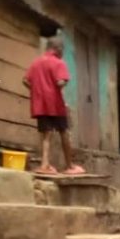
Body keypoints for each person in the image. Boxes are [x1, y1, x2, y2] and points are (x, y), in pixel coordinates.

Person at [22, 37, 84, 175]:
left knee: (46, 135)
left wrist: (37, 90)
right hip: (55, 104)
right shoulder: (59, 63)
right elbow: (60, 82)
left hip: (40, 104)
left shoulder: (36, 62)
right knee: (64, 133)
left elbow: (25, 80)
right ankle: (69, 166)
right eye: (63, 50)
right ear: (59, 49)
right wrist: (63, 82)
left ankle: (44, 165)